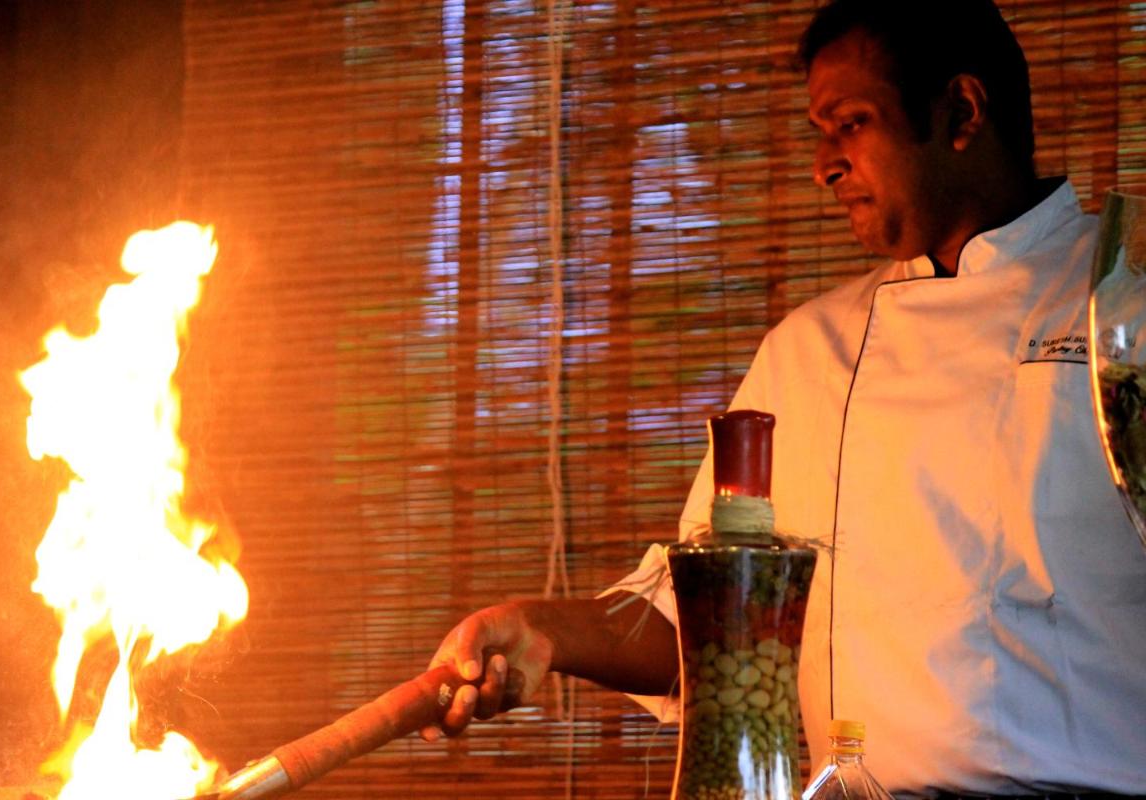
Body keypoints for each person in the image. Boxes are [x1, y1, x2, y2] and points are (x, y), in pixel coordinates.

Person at [422, 0, 1146, 795]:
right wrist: (540, 628)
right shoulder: (808, 352)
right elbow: (711, 616)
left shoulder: (1123, 311)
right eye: (819, 132)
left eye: (851, 123)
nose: (823, 165)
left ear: (962, 111)